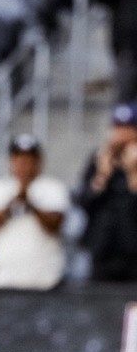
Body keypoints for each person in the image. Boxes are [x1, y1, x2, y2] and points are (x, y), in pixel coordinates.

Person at [0, 134, 69, 289]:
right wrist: (11, 205)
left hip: (46, 279)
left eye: (29, 160)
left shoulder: (53, 188)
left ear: (39, 162)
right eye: (19, 159)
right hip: (4, 278)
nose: (24, 165)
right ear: (11, 161)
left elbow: (55, 226)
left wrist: (31, 204)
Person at [77, 104, 137, 281]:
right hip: (102, 248)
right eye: (119, 128)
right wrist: (102, 176)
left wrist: (133, 175)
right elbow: (84, 203)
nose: (123, 135)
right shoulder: (99, 159)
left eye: (129, 128)